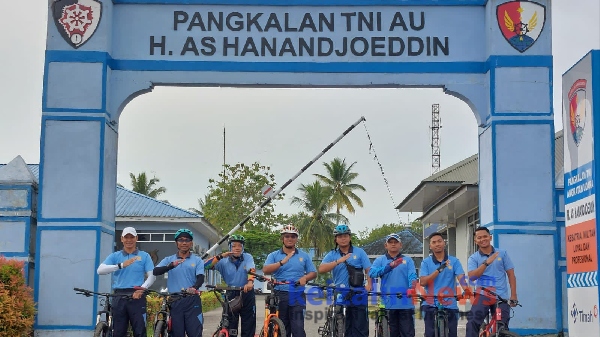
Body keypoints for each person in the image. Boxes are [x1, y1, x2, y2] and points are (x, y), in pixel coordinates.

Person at [97, 227, 156, 337]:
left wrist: (141, 289)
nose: (129, 240)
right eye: (126, 237)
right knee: (118, 332)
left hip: (137, 295)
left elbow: (152, 276)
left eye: (132, 237)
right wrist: (121, 265)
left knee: (139, 331)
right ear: (122, 239)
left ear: (136, 238)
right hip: (119, 295)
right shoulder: (115, 256)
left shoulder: (144, 256)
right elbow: (100, 270)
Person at [263, 224, 318, 337]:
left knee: (298, 329)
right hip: (279, 293)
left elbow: (313, 273)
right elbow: (265, 270)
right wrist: (281, 262)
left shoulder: (304, 256)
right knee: (281, 328)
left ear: (296, 239)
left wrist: (305, 278)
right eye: (287, 236)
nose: (290, 239)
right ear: (282, 238)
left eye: (293, 236)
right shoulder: (274, 255)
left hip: (297, 294)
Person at [319, 224, 372, 337]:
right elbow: (321, 269)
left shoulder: (359, 252)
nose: (343, 239)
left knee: (360, 324)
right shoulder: (332, 254)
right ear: (336, 239)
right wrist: (338, 261)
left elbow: (368, 269)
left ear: (350, 237)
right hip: (340, 291)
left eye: (345, 236)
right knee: (342, 321)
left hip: (358, 291)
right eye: (340, 236)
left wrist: (369, 284)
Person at [466, 227, 518, 337]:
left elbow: (511, 275)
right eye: (479, 238)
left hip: (501, 296)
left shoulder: (502, 254)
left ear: (490, 237)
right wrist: (486, 263)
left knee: (502, 327)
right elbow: (472, 277)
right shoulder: (473, 258)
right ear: (475, 241)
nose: (482, 239)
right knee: (472, 323)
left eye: (485, 236)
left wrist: (513, 295)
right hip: (483, 295)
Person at [153, 228, 205, 337]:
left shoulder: (197, 260)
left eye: (187, 240)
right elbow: (156, 271)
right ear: (176, 243)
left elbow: (200, 277)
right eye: (181, 240)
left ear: (191, 243)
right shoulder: (169, 259)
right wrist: (170, 266)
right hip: (175, 301)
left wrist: (194, 288)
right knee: (176, 334)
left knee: (195, 333)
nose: (184, 243)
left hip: (192, 301)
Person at [204, 234, 257, 337]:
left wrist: (250, 282)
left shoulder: (247, 257)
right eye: (234, 246)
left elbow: (251, 269)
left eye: (240, 246)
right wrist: (220, 256)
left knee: (249, 325)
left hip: (246, 292)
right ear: (229, 247)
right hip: (231, 293)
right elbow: (205, 266)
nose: (237, 248)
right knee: (230, 326)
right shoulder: (223, 261)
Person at [419, 232, 470, 337]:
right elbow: (423, 282)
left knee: (452, 333)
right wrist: (439, 269)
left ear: (444, 243)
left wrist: (466, 289)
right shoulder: (426, 262)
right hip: (430, 302)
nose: (437, 244)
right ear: (430, 246)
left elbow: (460, 276)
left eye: (439, 241)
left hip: (450, 302)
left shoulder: (454, 261)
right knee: (430, 333)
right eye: (434, 242)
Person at [369, 233, 418, 337]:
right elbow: (372, 273)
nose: (393, 244)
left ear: (401, 245)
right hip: (387, 303)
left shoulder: (408, 260)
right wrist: (389, 267)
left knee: (407, 333)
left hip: (405, 303)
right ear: (385, 245)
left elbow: (412, 275)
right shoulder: (380, 260)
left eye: (396, 242)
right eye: (390, 242)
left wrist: (412, 287)